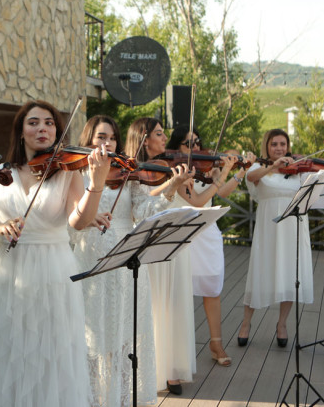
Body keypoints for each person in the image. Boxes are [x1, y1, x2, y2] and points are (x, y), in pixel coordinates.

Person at [0, 101, 110, 407]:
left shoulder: (67, 172)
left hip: (54, 271)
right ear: (20, 132)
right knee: (14, 351)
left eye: (49, 123)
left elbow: (78, 221)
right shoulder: (1, 173)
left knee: (54, 352)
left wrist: (96, 185)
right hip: (12, 271)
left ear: (57, 131)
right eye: (33, 122)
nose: (42, 128)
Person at [70, 115, 191, 407]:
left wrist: (172, 186)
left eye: (112, 138)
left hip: (126, 260)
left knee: (126, 337)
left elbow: (145, 211)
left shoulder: (126, 173)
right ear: (89, 140)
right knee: (93, 336)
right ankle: (93, 400)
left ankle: (123, 399)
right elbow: (71, 217)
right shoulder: (76, 173)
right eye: (101, 137)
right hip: (90, 259)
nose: (107, 143)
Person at [238, 129, 324, 348]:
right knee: (260, 272)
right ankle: (246, 323)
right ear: (267, 146)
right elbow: (250, 177)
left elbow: (318, 182)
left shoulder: (298, 170)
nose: (279, 148)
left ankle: (282, 324)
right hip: (269, 228)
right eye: (274, 144)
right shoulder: (259, 167)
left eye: (283, 144)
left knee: (290, 275)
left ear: (288, 146)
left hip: (294, 227)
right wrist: (273, 166)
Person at [164, 126, 257, 367]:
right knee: (178, 293)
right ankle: (175, 349)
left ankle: (216, 343)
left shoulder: (205, 167)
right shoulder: (175, 170)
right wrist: (224, 170)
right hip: (183, 231)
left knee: (212, 288)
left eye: (197, 143)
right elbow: (198, 202)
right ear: (176, 147)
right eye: (188, 144)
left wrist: (237, 172)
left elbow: (220, 193)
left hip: (208, 233)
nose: (195, 148)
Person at [124, 117, 197, 396]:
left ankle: (170, 369)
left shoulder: (167, 166)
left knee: (171, 304)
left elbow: (188, 197)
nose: (165, 137)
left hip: (169, 239)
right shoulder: (129, 170)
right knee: (149, 307)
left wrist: (181, 181)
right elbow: (137, 207)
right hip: (144, 243)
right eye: (158, 133)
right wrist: (170, 183)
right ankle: (148, 371)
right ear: (143, 138)